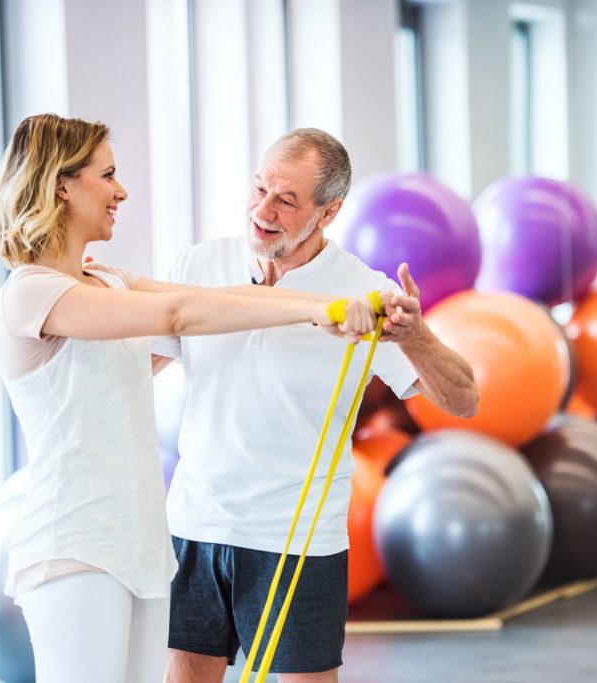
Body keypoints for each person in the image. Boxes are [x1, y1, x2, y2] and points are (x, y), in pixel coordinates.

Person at [0, 114, 381, 683]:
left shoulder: (109, 281)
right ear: (62, 185)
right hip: (74, 542)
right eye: (108, 174)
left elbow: (216, 297)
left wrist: (335, 301)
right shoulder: (31, 293)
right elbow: (180, 315)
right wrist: (317, 310)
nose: (121, 190)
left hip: (140, 544)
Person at [153, 128, 480, 683]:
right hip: (197, 520)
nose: (263, 210)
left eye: (286, 200)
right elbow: (140, 365)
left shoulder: (363, 291)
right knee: (185, 672)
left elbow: (464, 400)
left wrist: (415, 338)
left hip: (296, 533)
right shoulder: (200, 266)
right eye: (259, 189)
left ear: (328, 213)